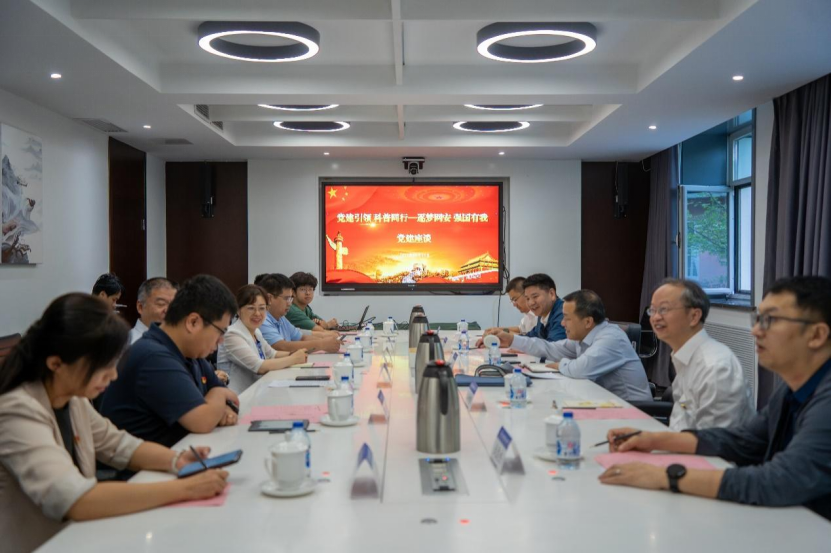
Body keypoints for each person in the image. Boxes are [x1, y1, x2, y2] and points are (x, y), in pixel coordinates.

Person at [0, 294, 228, 553]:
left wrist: (176, 460)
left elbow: (120, 445)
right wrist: (185, 489)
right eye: (102, 365)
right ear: (56, 364)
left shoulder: (73, 400)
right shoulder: (16, 410)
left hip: (76, 538)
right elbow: (73, 499)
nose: (113, 375)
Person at [599, 276, 831, 521]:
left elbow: (782, 480)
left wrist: (665, 475)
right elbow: (743, 440)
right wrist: (654, 439)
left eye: (770, 320)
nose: (755, 330)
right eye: (757, 319)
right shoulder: (790, 391)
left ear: (817, 335)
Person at [102, 275, 241, 447]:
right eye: (221, 331)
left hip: (181, 452)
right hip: (146, 462)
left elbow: (231, 399)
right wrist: (218, 395)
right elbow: (203, 421)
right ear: (193, 322)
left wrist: (220, 406)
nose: (221, 341)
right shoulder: (153, 356)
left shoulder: (191, 354)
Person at [492, 289, 652, 402]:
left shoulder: (611, 339)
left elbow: (581, 369)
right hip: (605, 403)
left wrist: (561, 364)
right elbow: (550, 348)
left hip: (632, 412)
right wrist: (512, 339)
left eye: (567, 318)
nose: (562, 323)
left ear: (588, 321)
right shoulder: (582, 338)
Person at [650, 279, 754, 430]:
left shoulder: (714, 368)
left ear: (694, 316)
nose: (655, 317)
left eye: (664, 309)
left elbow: (713, 439)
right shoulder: (684, 357)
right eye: (652, 310)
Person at [217, 285, 309, 394]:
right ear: (238, 310)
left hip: (257, 392)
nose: (257, 313)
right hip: (238, 397)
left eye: (262, 308)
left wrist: (295, 353)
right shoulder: (232, 334)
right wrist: (294, 358)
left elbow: (272, 354)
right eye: (251, 308)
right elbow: (260, 367)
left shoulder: (256, 331)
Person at [256, 273, 342, 354]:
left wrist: (326, 341)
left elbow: (301, 337)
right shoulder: (262, 319)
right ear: (269, 298)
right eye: (286, 298)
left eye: (290, 298)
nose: (289, 303)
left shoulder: (281, 318)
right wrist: (322, 344)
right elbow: (281, 346)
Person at [130, 278, 178, 344]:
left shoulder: (180, 341)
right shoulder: (129, 343)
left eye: (173, 304)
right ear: (140, 307)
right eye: (161, 304)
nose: (168, 310)